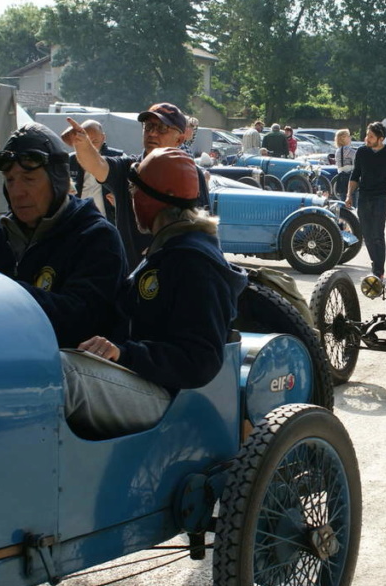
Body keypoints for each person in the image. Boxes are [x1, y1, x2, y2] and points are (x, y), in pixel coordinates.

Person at [62, 147, 247, 439]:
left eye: (134, 190)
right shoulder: (169, 249)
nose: (130, 198)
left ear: (154, 198)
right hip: (142, 379)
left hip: (170, 396)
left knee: (61, 377)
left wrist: (124, 352)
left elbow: (201, 359)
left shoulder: (194, 261)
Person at [0, 123, 127, 348]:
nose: (17, 192)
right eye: (10, 180)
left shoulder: (96, 238)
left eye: (29, 179)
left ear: (57, 180)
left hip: (66, 372)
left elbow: (81, 322)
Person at [64, 102, 209, 269]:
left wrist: (166, 248)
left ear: (180, 139)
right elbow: (96, 165)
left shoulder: (191, 174)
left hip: (175, 273)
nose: (153, 133)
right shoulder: (128, 168)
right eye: (148, 126)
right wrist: (81, 143)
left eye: (162, 128)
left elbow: (203, 228)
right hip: (131, 278)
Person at [345, 122, 386, 280]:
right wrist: (349, 195)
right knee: (366, 233)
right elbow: (355, 175)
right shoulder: (362, 152)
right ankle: (375, 263)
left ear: (381, 139)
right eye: (367, 135)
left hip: (381, 198)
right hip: (364, 197)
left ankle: (378, 269)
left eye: (371, 136)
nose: (367, 139)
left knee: (377, 234)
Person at [67, 118, 122, 221]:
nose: (90, 145)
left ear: (103, 138)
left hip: (109, 219)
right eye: (86, 140)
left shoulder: (118, 158)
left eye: (95, 141)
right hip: (78, 219)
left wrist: (120, 199)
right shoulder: (70, 160)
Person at [333, 128, 356, 201]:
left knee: (343, 200)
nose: (350, 138)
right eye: (348, 136)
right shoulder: (350, 151)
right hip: (351, 178)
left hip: (341, 178)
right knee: (353, 201)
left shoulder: (338, 151)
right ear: (343, 138)